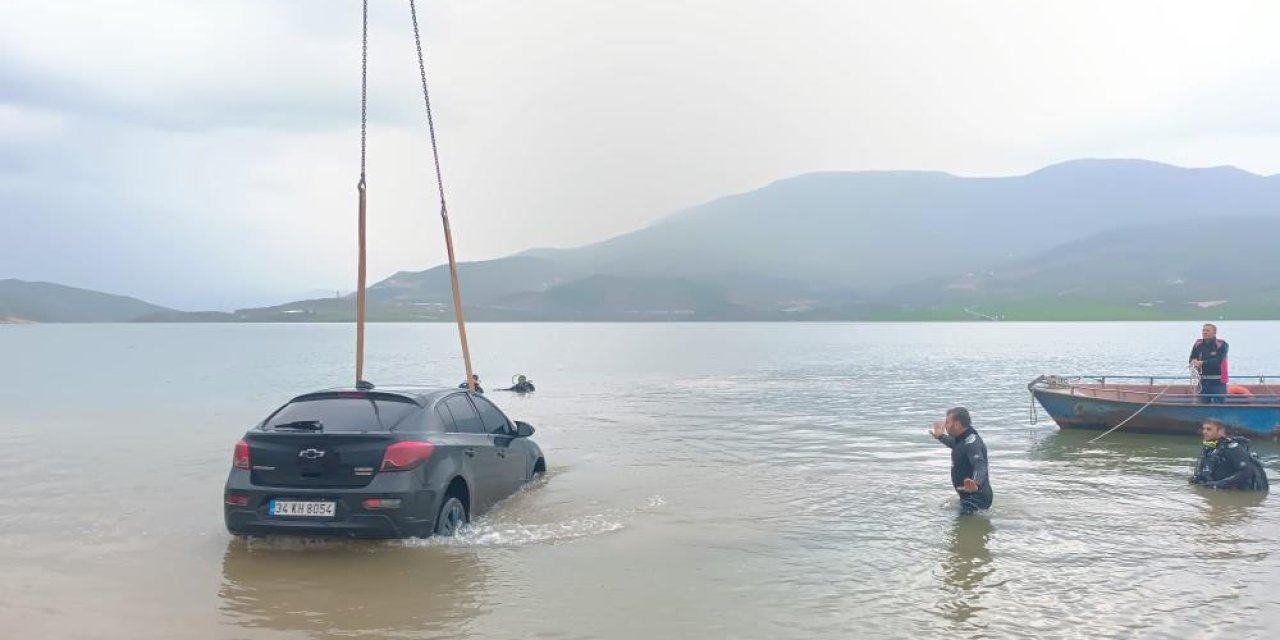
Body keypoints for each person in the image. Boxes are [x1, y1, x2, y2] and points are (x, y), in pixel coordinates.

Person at [929, 407, 994, 515]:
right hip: (968, 495)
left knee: (961, 526)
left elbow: (980, 465)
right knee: (946, 510)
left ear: (957, 425)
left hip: (976, 497)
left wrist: (975, 482)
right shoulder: (962, 439)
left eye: (947, 422)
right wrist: (940, 436)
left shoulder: (972, 443)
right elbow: (955, 444)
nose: (945, 426)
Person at [1189, 419, 1269, 491]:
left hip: (1236, 494)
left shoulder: (1233, 448)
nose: (1204, 431)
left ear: (1221, 431)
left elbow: (1246, 472)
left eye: (1209, 429)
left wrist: (1219, 484)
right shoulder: (1209, 447)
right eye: (1204, 429)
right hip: (1217, 492)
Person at [1189, 323, 1229, 404]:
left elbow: (1218, 361)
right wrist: (1193, 361)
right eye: (1203, 330)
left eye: (1207, 330)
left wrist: (1202, 363)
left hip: (1218, 382)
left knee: (1220, 406)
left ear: (1214, 333)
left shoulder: (1222, 344)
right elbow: (1192, 358)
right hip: (1203, 382)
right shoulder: (1198, 344)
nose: (1204, 332)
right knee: (1202, 405)